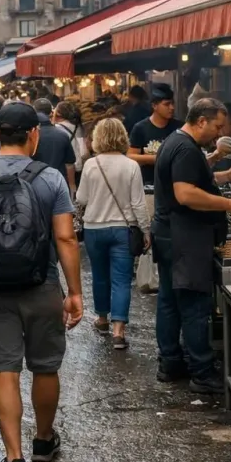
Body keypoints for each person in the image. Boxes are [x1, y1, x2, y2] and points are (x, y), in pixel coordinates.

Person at [0, 103, 83, 462]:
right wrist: (74, 291)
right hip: (41, 284)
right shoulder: (51, 179)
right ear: (34, 135)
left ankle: (14, 460)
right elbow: (65, 236)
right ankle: (44, 440)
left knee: (4, 370)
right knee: (45, 365)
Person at [152, 99, 231, 395]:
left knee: (169, 301)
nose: (219, 132)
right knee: (195, 305)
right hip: (185, 237)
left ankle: (170, 363)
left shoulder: (177, 142)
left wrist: (220, 170)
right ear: (201, 122)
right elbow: (185, 194)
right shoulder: (184, 147)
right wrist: (230, 204)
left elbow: (190, 177)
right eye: (217, 126)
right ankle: (202, 372)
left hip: (170, 235)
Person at [75, 119, 149, 350]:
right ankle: (119, 331)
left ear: (97, 138)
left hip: (94, 229)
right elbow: (138, 203)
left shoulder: (90, 165)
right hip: (122, 229)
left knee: (99, 275)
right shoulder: (131, 166)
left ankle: (102, 319)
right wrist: (146, 230)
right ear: (122, 137)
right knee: (121, 280)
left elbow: (81, 199)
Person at [128, 85, 183, 186]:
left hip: (175, 183)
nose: (172, 108)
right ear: (154, 106)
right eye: (167, 104)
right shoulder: (140, 128)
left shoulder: (179, 128)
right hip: (149, 184)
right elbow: (131, 156)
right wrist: (156, 159)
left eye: (172, 103)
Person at [31, 98, 76, 190]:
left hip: (35, 183)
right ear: (51, 113)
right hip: (58, 183)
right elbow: (69, 164)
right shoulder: (62, 135)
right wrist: (72, 185)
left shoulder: (29, 135)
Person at [52, 101, 89, 177]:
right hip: (80, 168)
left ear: (58, 114)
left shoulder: (56, 129)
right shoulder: (79, 127)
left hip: (64, 170)